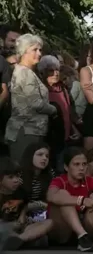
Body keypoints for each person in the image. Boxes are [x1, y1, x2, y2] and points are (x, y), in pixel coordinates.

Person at [5, 34, 56, 163]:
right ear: (23, 52)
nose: (39, 53)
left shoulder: (27, 71)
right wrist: (54, 109)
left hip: (31, 130)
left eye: (40, 50)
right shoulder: (24, 73)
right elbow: (36, 103)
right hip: (26, 130)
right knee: (23, 170)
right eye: (34, 50)